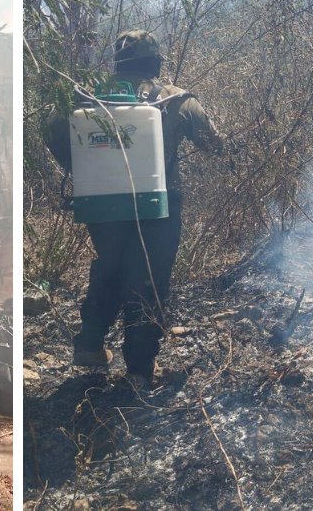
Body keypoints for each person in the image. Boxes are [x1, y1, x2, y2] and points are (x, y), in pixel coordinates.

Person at [45, 30, 223, 389]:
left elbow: (51, 130)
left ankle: (90, 345)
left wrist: (82, 168)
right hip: (158, 209)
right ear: (155, 63)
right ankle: (139, 371)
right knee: (148, 283)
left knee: (111, 266)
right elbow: (214, 145)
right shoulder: (175, 101)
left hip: (102, 205)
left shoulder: (86, 98)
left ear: (117, 64)